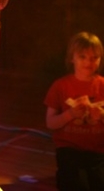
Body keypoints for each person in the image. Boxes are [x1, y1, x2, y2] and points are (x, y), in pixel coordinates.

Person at [44, 31, 104, 190]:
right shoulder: (61, 86)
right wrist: (70, 114)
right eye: (83, 57)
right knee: (74, 183)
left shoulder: (102, 85)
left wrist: (102, 116)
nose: (89, 62)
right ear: (72, 58)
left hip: (98, 151)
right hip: (69, 149)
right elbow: (50, 122)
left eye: (94, 58)